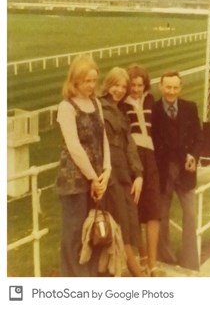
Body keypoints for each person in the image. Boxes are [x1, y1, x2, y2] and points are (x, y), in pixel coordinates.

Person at [56, 54, 111, 277]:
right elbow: (74, 146)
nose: (91, 85)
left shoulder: (95, 103)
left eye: (94, 81)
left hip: (96, 178)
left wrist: (107, 171)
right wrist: (93, 178)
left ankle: (91, 277)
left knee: (95, 230)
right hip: (75, 180)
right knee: (75, 232)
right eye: (86, 81)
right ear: (75, 81)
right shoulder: (66, 107)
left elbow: (103, 138)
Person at [151, 71, 202, 271]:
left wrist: (193, 156)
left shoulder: (190, 108)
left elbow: (199, 138)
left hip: (185, 171)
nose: (171, 91)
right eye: (168, 87)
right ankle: (166, 258)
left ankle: (190, 261)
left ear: (180, 88)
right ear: (161, 87)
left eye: (175, 87)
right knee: (161, 216)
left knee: (190, 214)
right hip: (163, 172)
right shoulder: (153, 110)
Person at [100, 67, 146, 277]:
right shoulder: (99, 107)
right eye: (115, 85)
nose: (119, 90)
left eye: (123, 86)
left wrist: (138, 175)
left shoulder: (120, 112)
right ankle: (138, 274)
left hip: (124, 172)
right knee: (119, 221)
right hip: (109, 172)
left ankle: (133, 270)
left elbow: (130, 146)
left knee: (128, 219)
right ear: (108, 84)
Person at [124, 64, 164, 277]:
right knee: (136, 212)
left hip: (151, 159)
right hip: (133, 159)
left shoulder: (150, 101)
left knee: (154, 212)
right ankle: (141, 260)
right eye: (133, 85)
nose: (136, 89)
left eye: (140, 85)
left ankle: (153, 264)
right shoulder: (122, 105)